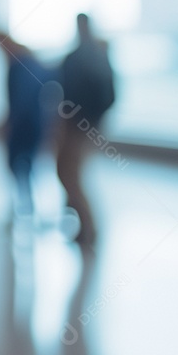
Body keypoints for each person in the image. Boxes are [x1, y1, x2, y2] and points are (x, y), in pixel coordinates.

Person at [56, 13, 116, 248]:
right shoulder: (96, 56)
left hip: (79, 127)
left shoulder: (82, 57)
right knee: (70, 173)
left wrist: (82, 122)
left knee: (70, 175)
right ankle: (84, 226)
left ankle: (88, 229)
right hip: (84, 125)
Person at [0, 31, 50, 221]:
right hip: (32, 123)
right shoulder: (27, 62)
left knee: (20, 163)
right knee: (25, 164)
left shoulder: (20, 65)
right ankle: (26, 203)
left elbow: (21, 102)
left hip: (25, 125)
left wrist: (10, 124)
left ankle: (27, 205)